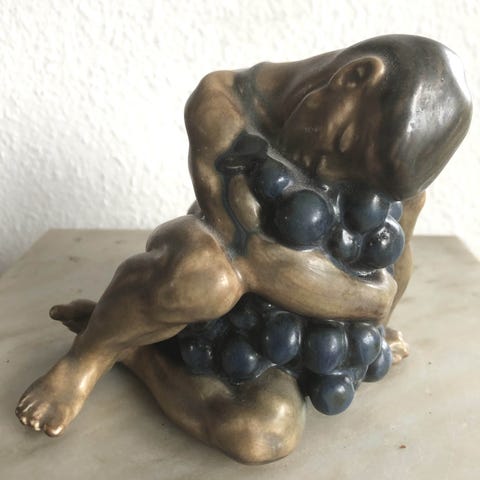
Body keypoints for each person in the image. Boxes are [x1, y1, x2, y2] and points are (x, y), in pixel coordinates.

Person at [16, 35, 471, 464]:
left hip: (283, 335)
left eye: (363, 180)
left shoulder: (391, 166)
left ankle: (137, 352)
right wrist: (370, 300)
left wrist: (375, 324)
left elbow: (393, 257)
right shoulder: (222, 104)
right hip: (210, 292)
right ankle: (89, 354)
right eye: (341, 145)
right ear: (354, 77)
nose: (329, 170)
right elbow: (251, 255)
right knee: (206, 275)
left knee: (261, 437)